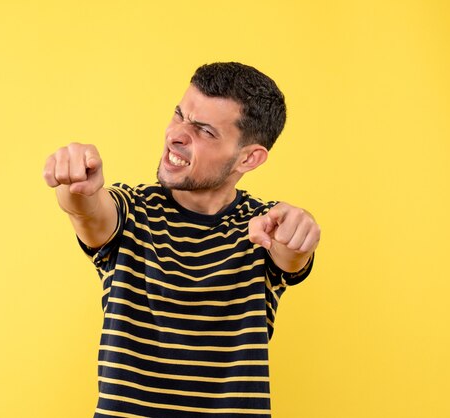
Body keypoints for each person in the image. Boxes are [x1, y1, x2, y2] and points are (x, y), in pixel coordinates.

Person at [43, 62, 321, 418]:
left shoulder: (263, 229)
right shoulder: (133, 211)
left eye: (204, 131)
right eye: (179, 114)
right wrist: (75, 186)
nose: (176, 134)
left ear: (249, 157)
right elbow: (88, 212)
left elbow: (290, 255)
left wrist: (300, 231)